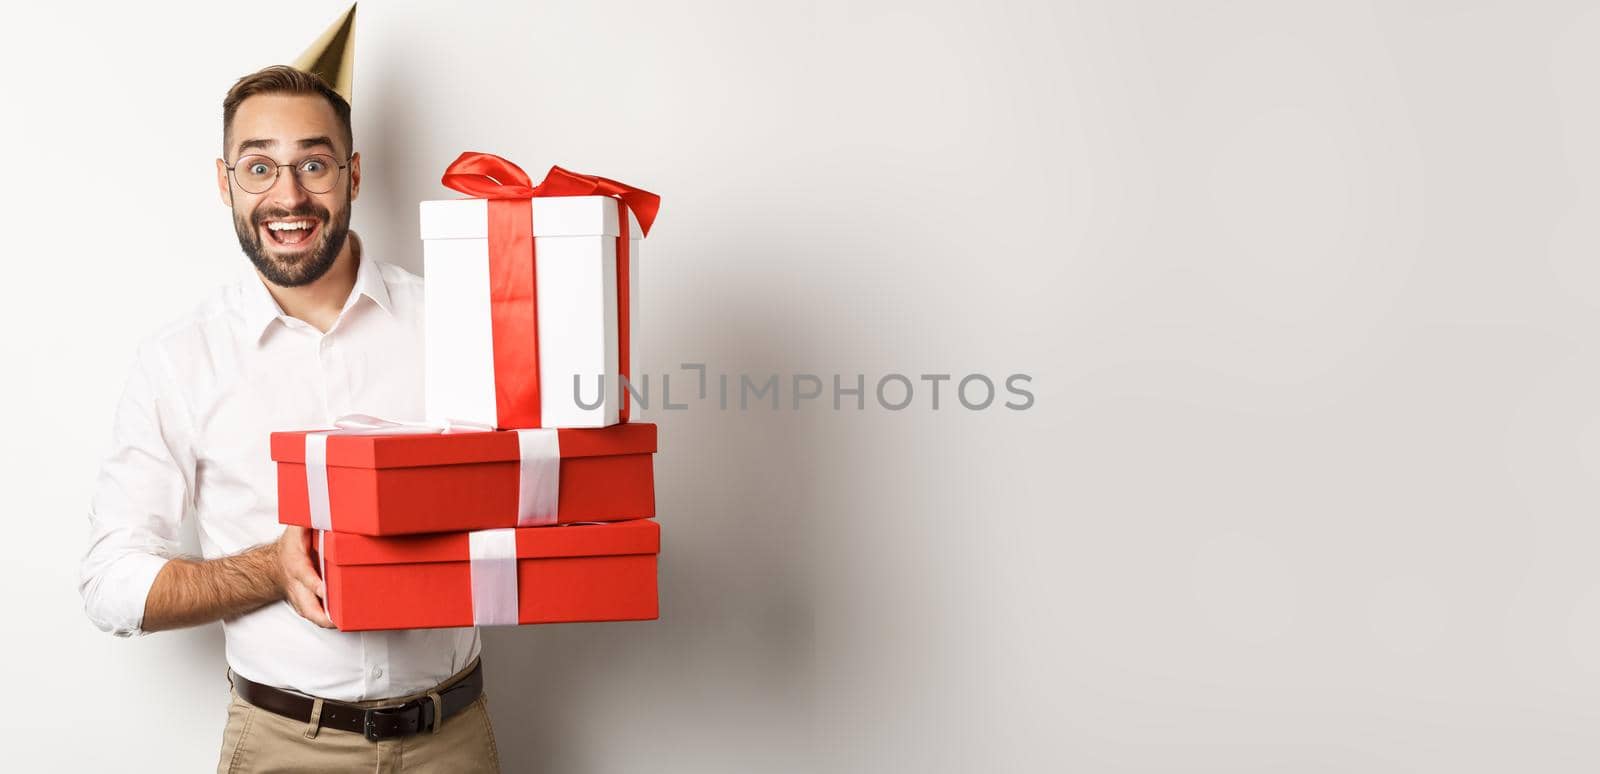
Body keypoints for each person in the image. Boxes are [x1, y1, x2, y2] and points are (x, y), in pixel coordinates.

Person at [77, 63, 500, 773]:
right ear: (224, 184)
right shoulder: (181, 360)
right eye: (259, 167)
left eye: (313, 163)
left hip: (452, 740)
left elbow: (535, 496)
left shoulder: (459, 324)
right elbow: (109, 584)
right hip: (282, 746)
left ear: (354, 174)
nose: (289, 195)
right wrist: (270, 569)